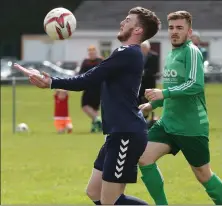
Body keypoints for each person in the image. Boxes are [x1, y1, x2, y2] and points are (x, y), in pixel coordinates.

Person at [14, 7, 161, 205]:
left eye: (128, 20)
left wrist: (50, 82)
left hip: (126, 134)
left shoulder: (127, 53)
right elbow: (90, 78)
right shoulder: (126, 54)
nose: (122, 22)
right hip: (117, 134)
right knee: (94, 191)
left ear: (137, 30)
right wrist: (49, 80)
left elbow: (87, 79)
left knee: (111, 201)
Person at [138, 11, 222, 205]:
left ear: (189, 31)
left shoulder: (192, 52)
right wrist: (152, 104)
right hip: (168, 124)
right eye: (171, 28)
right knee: (143, 158)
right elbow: (171, 90)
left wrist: (164, 94)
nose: (174, 32)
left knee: (203, 175)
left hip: (191, 127)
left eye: (179, 28)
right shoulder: (170, 55)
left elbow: (195, 85)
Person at [79, 46, 103, 133]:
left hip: (93, 88)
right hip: (95, 88)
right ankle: (96, 126)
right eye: (90, 52)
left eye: (93, 52)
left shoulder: (97, 61)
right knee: (94, 109)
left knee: (85, 106)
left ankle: (98, 120)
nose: (91, 54)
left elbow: (81, 74)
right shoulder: (89, 61)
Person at [139, 40, 160, 128]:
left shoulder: (154, 56)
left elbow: (155, 69)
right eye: (142, 48)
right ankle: (141, 119)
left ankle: (150, 120)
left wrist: (144, 72)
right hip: (139, 84)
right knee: (140, 100)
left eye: (145, 48)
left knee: (150, 101)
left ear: (148, 48)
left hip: (150, 82)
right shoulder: (137, 56)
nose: (143, 50)